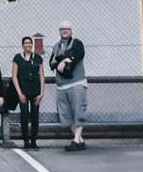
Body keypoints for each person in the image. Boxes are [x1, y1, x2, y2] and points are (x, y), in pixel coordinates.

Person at [49, 20, 87, 151]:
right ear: (59, 31)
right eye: (62, 29)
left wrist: (64, 59)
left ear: (71, 31)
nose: (64, 31)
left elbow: (78, 55)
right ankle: (80, 140)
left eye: (67, 29)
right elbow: (52, 62)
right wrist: (61, 60)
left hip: (76, 82)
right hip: (61, 85)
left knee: (78, 111)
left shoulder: (77, 43)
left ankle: (76, 140)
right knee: (65, 114)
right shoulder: (56, 46)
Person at [12, 36, 45, 150]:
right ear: (22, 45)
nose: (28, 45)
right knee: (24, 116)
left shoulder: (37, 58)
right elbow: (14, 76)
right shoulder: (17, 58)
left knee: (35, 117)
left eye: (30, 43)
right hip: (23, 91)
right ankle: (26, 141)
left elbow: (41, 75)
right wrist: (19, 93)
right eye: (26, 43)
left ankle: (34, 141)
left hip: (35, 91)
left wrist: (41, 93)